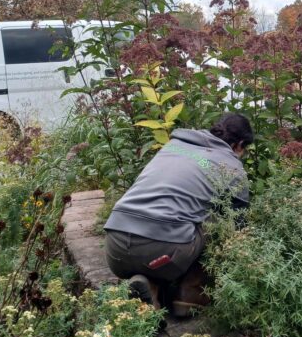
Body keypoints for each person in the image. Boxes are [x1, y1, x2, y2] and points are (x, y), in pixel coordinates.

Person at [103, 113, 253, 316]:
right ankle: (191, 293)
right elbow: (239, 224)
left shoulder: (173, 146)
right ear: (240, 144)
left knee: (176, 214)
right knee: (223, 219)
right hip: (165, 255)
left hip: (115, 250)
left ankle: (150, 287)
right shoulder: (232, 166)